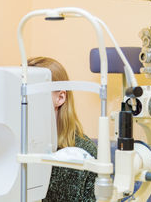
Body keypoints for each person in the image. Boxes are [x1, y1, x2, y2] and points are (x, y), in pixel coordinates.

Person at [28, 57, 98, 202]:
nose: (26, 100)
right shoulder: (22, 146)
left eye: (36, 93)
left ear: (60, 97)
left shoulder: (84, 153)